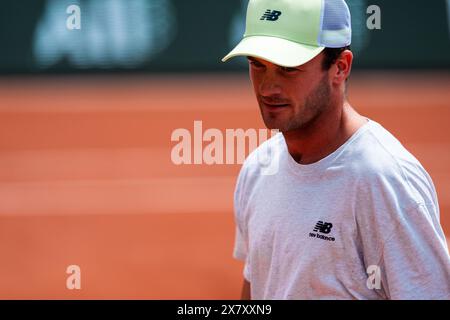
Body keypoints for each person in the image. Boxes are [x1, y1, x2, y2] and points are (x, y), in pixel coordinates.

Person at [221, 0, 450, 299]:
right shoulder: (258, 168)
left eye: (288, 68)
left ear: (340, 67)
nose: (268, 87)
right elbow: (255, 289)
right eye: (257, 64)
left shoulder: (385, 180)